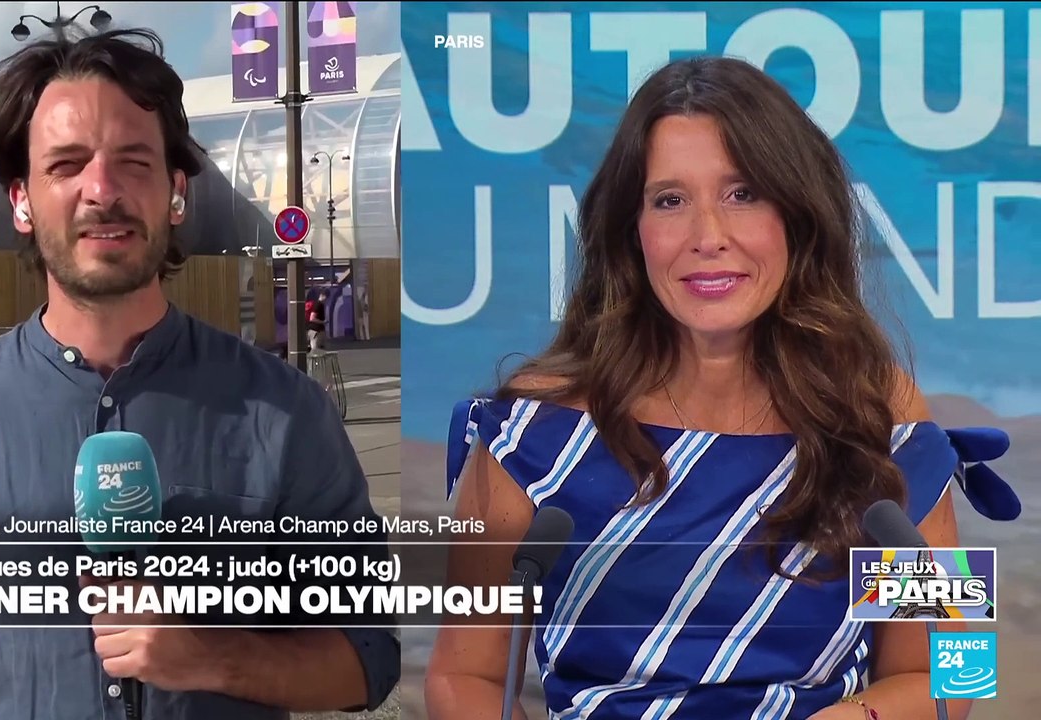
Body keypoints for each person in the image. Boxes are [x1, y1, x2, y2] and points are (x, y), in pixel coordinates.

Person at [426, 56, 1020, 720]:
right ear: (632, 230)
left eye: (743, 194)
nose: (708, 237)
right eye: (670, 200)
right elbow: (464, 676)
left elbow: (951, 668)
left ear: (797, 215)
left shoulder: (877, 414)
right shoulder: (536, 429)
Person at [0, 29, 397, 720]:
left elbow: (368, 655)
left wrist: (212, 658)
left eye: (133, 161)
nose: (102, 190)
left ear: (176, 193)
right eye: (66, 164)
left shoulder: (283, 410)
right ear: (22, 200)